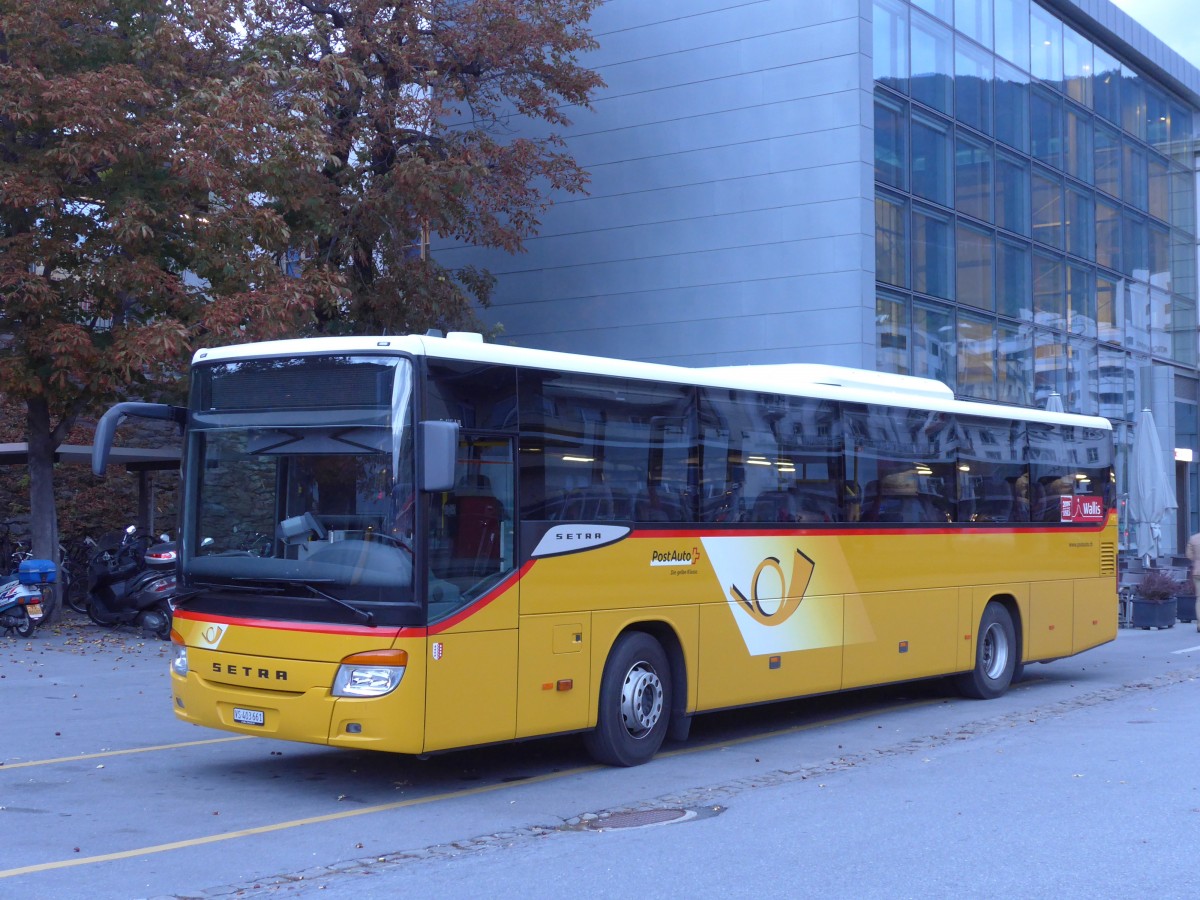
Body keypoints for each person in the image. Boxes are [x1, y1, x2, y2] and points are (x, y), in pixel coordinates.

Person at [1187, 530, 1200, 632]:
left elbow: (1189, 555)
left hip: (1197, 571)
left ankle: (1199, 624)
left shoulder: (1193, 538)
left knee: (1199, 598)